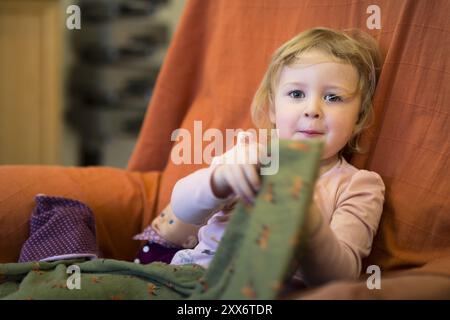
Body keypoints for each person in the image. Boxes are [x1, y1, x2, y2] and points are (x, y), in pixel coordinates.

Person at [138, 27, 385, 286]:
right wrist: (219, 180)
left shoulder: (359, 185)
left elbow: (340, 277)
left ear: (359, 117)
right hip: (194, 279)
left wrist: (307, 221)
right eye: (296, 94)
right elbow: (183, 208)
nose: (312, 109)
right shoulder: (249, 155)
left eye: (333, 97)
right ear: (273, 109)